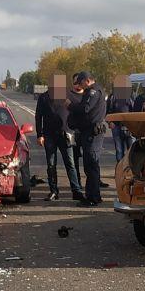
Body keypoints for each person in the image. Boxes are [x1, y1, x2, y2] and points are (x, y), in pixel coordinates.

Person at [35, 73, 83, 201]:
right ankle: (53, 191)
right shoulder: (44, 97)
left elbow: (78, 111)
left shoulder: (69, 95)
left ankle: (76, 191)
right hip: (49, 136)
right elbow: (38, 116)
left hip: (66, 134)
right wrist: (40, 135)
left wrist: (75, 129)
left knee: (70, 164)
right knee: (51, 165)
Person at [68, 71, 107, 205]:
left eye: (80, 83)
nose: (79, 86)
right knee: (90, 166)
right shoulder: (92, 91)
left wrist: (70, 106)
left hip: (92, 133)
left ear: (86, 80)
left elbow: (85, 109)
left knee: (91, 165)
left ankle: (92, 198)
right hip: (89, 132)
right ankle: (93, 195)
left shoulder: (93, 92)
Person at [106, 78, 135, 164]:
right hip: (116, 127)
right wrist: (110, 122)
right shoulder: (112, 97)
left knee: (132, 151)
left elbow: (135, 110)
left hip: (130, 127)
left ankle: (132, 171)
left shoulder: (131, 96)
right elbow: (107, 111)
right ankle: (120, 171)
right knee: (119, 152)